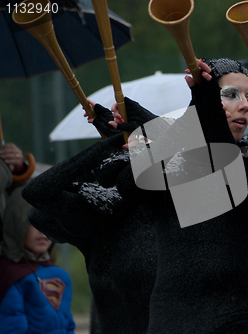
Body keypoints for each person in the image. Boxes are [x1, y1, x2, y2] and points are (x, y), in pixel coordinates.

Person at [105, 57, 248, 334]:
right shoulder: (173, 162)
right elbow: (130, 184)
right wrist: (182, 120)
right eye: (230, 95)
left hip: (236, 318)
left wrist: (168, 124)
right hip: (171, 317)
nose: (245, 104)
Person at [22, 122, 157, 333]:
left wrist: (153, 131)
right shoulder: (99, 215)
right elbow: (37, 196)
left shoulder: (169, 212)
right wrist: (106, 148)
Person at [0, 183, 75, 334]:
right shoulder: (8, 275)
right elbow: (12, 327)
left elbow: (67, 324)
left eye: (48, 223)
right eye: (34, 223)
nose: (43, 231)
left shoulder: (60, 275)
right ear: (17, 224)